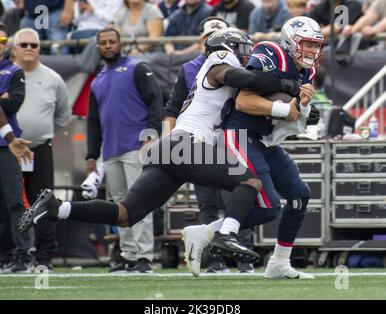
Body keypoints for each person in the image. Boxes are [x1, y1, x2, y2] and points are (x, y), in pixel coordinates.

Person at [18, 27, 299, 277]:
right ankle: (225, 235)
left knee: (126, 214)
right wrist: (287, 84)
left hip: (170, 148)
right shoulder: (218, 61)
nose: (246, 54)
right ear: (225, 49)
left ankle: (59, 208)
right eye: (241, 48)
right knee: (249, 181)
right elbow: (249, 79)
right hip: (184, 144)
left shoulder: (216, 74)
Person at [223, 16, 324, 279]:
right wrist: (287, 109)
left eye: (316, 45)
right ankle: (212, 232)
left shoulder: (307, 72)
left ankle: (279, 262)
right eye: (308, 44)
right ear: (291, 42)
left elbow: (291, 117)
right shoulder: (272, 53)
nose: (313, 51)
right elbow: (244, 101)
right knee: (268, 207)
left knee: (300, 195)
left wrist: (304, 110)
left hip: (265, 138)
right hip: (240, 132)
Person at [164, 16, 254, 274]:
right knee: (208, 202)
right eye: (208, 37)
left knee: (236, 197)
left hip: (230, 139)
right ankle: (215, 259)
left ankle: (241, 255)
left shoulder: (238, 65)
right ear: (203, 41)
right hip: (197, 140)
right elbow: (173, 108)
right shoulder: (191, 68)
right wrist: (167, 142)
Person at [83, 28, 163, 273]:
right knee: (119, 206)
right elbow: (93, 121)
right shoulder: (97, 80)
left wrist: (151, 136)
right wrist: (91, 155)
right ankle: (128, 256)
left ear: (121, 43)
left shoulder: (137, 68)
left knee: (139, 203)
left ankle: (145, 257)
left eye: (112, 42)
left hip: (136, 148)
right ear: (98, 47)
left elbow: (156, 101)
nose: (108, 46)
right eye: (103, 43)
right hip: (110, 152)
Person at [14, 28, 72, 269]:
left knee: (44, 201)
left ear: (40, 49)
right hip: (8, 150)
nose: (29, 48)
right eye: (24, 44)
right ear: (14, 48)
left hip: (39, 150)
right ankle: (14, 254)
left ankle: (45, 256)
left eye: (34, 45)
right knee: (11, 203)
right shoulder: (5, 74)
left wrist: (40, 132)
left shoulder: (52, 78)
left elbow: (63, 115)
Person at [0, 23, 33, 273]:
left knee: (14, 201)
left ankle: (22, 254)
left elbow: (15, 103)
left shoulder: (13, 71)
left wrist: (6, 101)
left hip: (6, 145)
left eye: (2, 40)